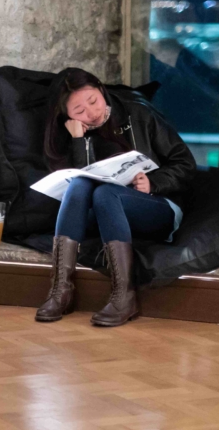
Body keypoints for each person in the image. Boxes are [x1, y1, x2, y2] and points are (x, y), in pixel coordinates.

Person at [35, 68, 196, 327]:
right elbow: (80, 183)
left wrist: (153, 183)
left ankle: (124, 296)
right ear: (66, 116)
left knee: (106, 192)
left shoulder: (138, 113)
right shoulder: (71, 133)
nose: (92, 112)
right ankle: (60, 290)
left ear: (101, 89)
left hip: (156, 206)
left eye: (93, 101)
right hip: (102, 212)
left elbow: (185, 163)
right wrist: (80, 140)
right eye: (79, 111)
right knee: (81, 184)